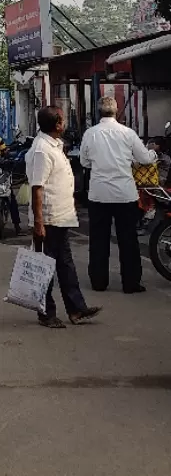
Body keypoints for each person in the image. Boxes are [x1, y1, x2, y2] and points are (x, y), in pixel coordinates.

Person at [26, 105, 101, 328]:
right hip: (49, 219)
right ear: (58, 124)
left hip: (61, 216)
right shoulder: (41, 149)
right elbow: (37, 187)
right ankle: (46, 313)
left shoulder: (54, 145)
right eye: (64, 119)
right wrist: (39, 222)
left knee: (65, 265)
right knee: (46, 267)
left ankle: (76, 309)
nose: (66, 122)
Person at [80, 96, 156, 294]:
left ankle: (98, 282)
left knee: (98, 239)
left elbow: (84, 162)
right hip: (125, 195)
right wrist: (153, 153)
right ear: (116, 110)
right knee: (128, 240)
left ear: (99, 112)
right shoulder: (128, 133)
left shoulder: (90, 134)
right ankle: (130, 284)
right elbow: (145, 159)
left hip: (99, 194)